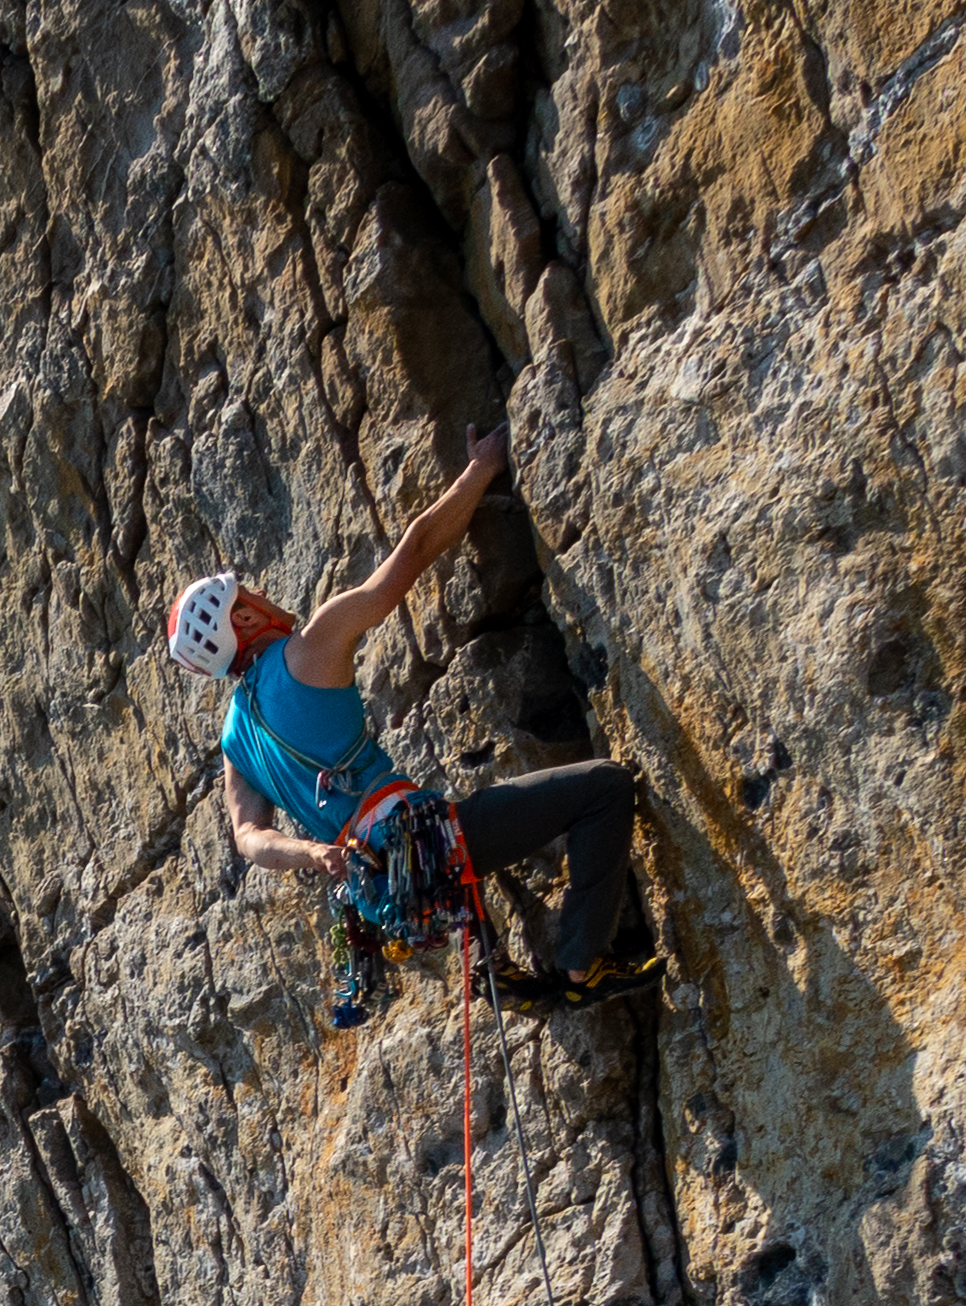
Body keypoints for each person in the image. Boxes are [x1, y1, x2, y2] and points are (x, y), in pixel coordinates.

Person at [161, 430, 645, 1022]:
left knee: (427, 821)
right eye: (249, 596)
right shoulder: (311, 647)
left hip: (378, 889)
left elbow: (248, 838)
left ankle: (491, 966)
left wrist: (310, 852)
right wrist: (481, 470)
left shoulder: (236, 740)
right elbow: (411, 555)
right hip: (421, 849)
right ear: (243, 617)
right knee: (605, 789)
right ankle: (580, 969)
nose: (262, 595)